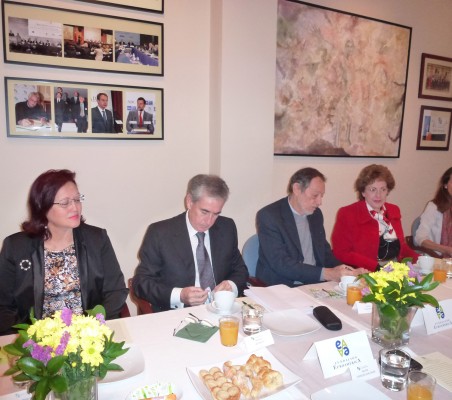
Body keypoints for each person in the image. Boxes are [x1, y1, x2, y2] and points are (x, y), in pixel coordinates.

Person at [0, 170, 128, 335]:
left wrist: (93, 328)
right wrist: (29, 338)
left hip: (89, 334)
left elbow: (115, 291)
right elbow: (3, 305)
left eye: (77, 199)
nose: (75, 207)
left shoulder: (97, 239)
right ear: (42, 206)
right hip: (37, 339)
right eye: (65, 202)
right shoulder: (16, 246)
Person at [133, 174, 249, 312]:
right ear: (189, 201)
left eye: (216, 214)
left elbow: (240, 270)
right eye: (204, 212)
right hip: (178, 313)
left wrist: (231, 285)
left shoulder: (227, 227)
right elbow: (141, 283)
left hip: (221, 310)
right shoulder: (160, 233)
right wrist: (180, 295)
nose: (209, 221)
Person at [255, 168, 365, 287]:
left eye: (321, 196)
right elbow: (281, 264)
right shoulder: (270, 216)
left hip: (314, 284)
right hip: (282, 286)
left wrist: (349, 272)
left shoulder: (315, 214)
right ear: (297, 189)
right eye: (315, 195)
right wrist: (328, 274)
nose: (319, 202)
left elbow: (325, 253)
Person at [332, 164, 418, 271]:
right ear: (363, 192)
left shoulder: (394, 210)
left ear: (388, 191)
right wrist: (376, 267)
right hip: (366, 272)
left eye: (383, 189)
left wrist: (420, 260)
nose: (378, 195)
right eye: (372, 190)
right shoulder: (348, 214)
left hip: (396, 271)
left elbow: (401, 246)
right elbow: (341, 252)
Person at [414, 167, 452, 257]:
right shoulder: (434, 207)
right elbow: (420, 238)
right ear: (445, 185)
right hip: (438, 259)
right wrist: (446, 249)